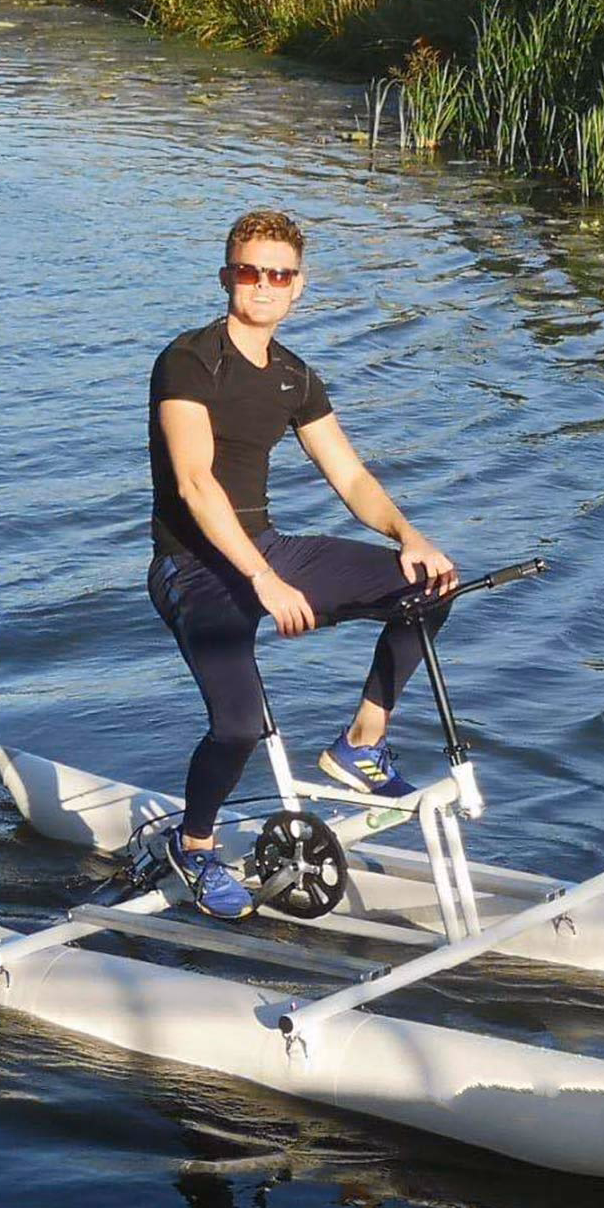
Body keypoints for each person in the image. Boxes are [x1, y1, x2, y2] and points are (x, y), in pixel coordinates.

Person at [147, 210, 456, 919]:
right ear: (227, 277)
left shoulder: (294, 377)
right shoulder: (189, 361)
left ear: (298, 288)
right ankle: (194, 848)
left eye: (278, 275)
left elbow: (348, 477)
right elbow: (195, 483)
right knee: (239, 728)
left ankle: (360, 746)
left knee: (432, 584)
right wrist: (262, 578)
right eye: (249, 271)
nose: (263, 285)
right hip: (193, 568)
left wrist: (410, 534)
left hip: (270, 552)